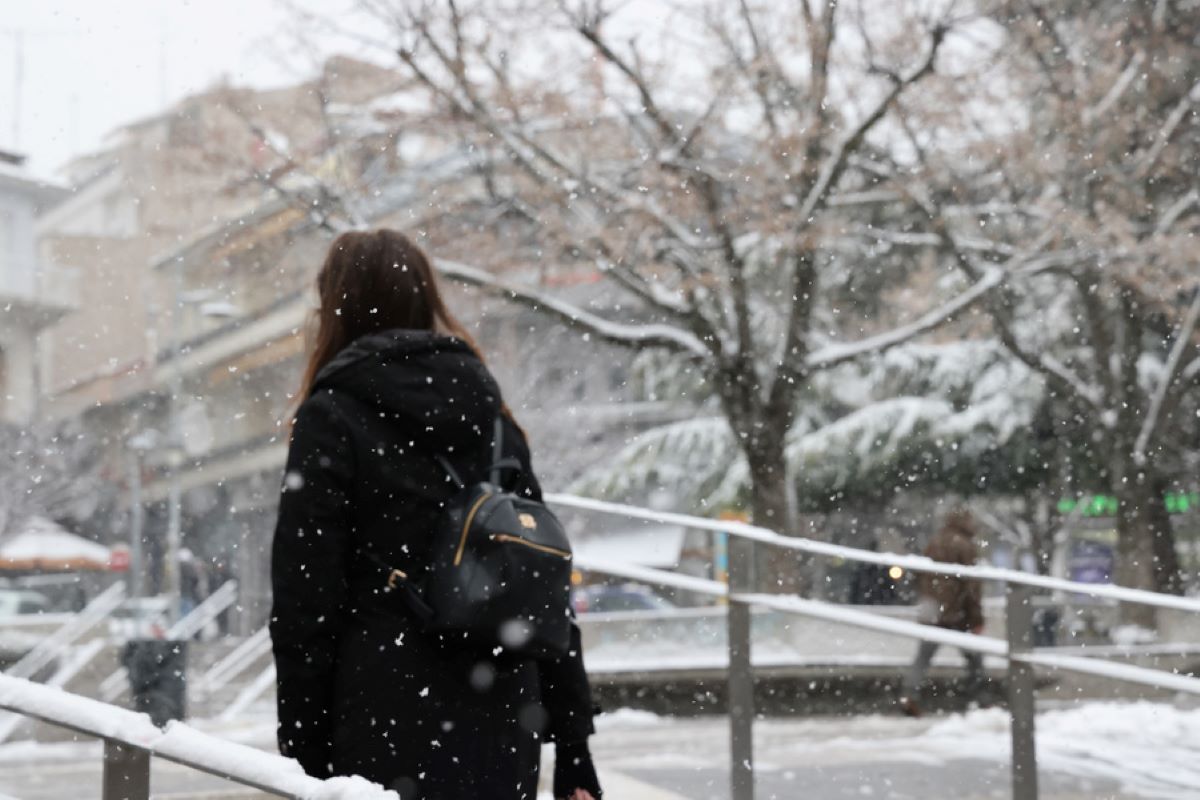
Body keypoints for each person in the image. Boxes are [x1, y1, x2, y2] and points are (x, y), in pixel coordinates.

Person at [269, 229, 601, 800]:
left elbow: (305, 600)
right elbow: (541, 580)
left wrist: (301, 751)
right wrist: (574, 747)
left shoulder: (332, 417)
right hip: (501, 713)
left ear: (336, 309)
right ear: (427, 300)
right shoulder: (491, 415)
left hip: (380, 712)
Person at [899, 509, 985, 717]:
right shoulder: (965, 545)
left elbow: (920, 575)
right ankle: (978, 700)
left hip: (932, 607)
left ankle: (909, 695)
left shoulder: (935, 541)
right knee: (974, 659)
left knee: (923, 656)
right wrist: (976, 617)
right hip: (956, 611)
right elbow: (971, 584)